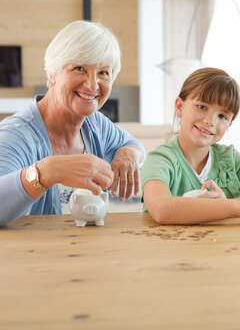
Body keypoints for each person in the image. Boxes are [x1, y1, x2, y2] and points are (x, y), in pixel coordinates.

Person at [0, 20, 144, 226]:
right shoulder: (15, 135)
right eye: (79, 68)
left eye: (103, 72)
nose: (93, 84)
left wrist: (128, 154)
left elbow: (133, 145)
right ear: (53, 73)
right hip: (35, 256)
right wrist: (47, 171)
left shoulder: (95, 124)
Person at [141, 67, 240, 225]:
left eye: (222, 116)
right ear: (179, 106)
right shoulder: (160, 159)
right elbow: (161, 209)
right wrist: (233, 207)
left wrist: (230, 206)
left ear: (229, 124)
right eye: (202, 107)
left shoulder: (230, 158)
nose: (210, 121)